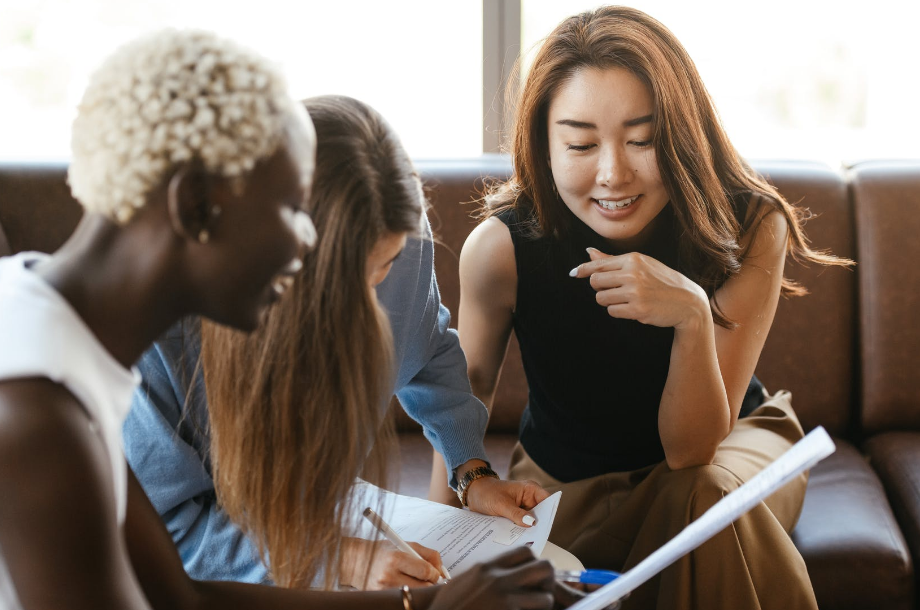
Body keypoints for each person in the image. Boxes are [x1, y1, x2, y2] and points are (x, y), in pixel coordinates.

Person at [0, 29, 567, 610]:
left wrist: (423, 605)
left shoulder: (68, 343)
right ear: (196, 206)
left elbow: (178, 595)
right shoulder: (32, 409)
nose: (305, 241)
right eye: (292, 205)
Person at [456, 6, 851, 610]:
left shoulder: (749, 226)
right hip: (565, 477)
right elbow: (464, 390)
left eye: (643, 140)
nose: (613, 173)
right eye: (581, 144)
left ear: (682, 134)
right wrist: (443, 537)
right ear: (544, 144)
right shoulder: (501, 248)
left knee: (699, 499)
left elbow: (692, 452)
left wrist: (692, 316)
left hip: (729, 449)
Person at [124, 94, 550, 589]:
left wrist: (472, 473)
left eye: (385, 266)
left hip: (326, 518)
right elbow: (167, 532)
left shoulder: (403, 242)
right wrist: (341, 560)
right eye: (347, 280)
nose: (372, 304)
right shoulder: (161, 329)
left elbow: (428, 350)